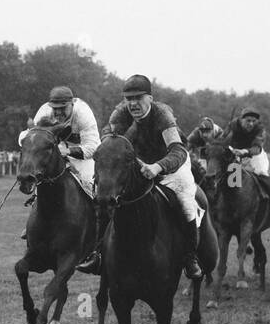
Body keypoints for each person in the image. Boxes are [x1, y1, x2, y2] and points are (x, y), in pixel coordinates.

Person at [75, 74, 203, 279]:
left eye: (138, 98)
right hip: (138, 164)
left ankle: (190, 257)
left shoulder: (163, 115)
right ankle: (97, 253)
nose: (133, 103)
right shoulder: (119, 114)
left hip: (171, 165)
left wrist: (158, 167)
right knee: (105, 197)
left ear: (150, 99)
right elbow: (113, 146)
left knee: (186, 202)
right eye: (129, 98)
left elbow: (178, 152)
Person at [18, 86, 101, 238]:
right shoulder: (44, 111)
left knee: (90, 184)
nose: (58, 112)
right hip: (56, 149)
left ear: (72, 104)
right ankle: (35, 223)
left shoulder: (83, 113)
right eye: (55, 108)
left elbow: (93, 147)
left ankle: (98, 224)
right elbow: (34, 136)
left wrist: (68, 152)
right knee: (42, 180)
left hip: (82, 154)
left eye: (63, 108)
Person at [224, 107, 270, 216]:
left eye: (253, 121)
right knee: (227, 176)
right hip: (235, 153)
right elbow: (223, 140)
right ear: (241, 119)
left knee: (262, 173)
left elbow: (256, 149)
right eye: (248, 120)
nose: (251, 124)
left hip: (255, 155)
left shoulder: (260, 129)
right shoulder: (233, 125)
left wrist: (245, 151)